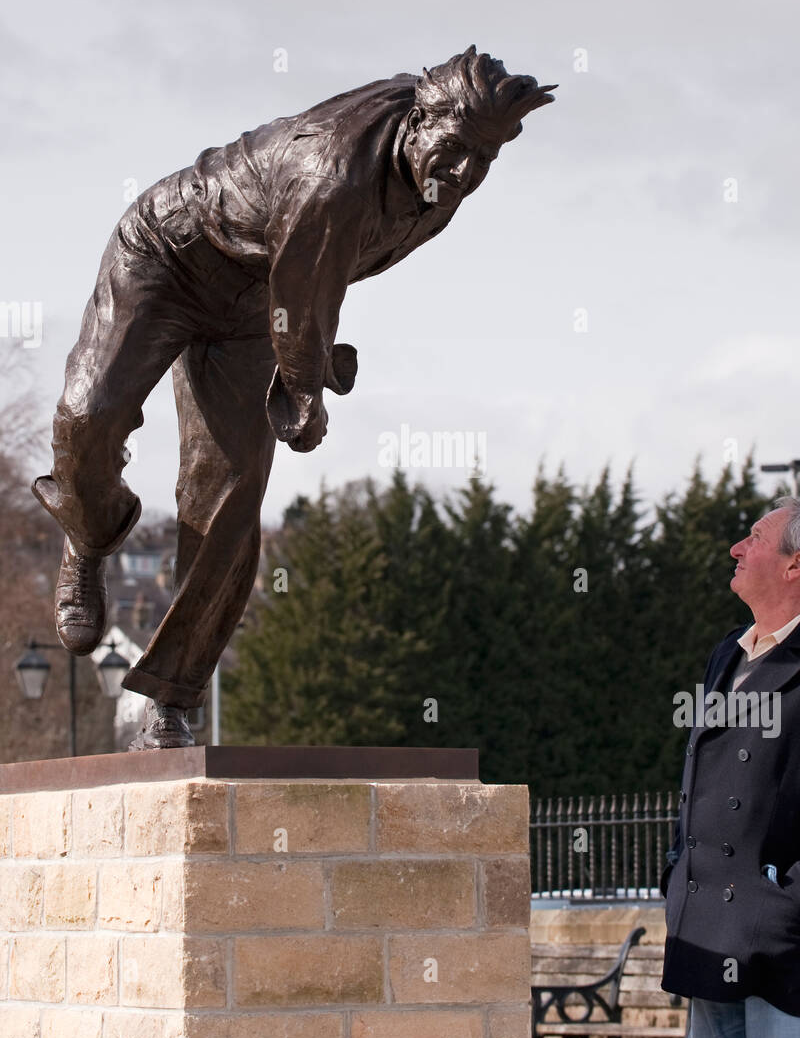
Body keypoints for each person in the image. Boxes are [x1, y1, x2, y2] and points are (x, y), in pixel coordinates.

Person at [32, 46, 555, 749]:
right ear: (418, 120)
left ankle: (172, 701)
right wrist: (304, 389)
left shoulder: (440, 190)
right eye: (455, 150)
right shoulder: (332, 173)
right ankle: (90, 534)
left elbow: (321, 280)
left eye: (483, 160)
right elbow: (305, 289)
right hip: (166, 259)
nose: (463, 172)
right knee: (87, 417)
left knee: (231, 498)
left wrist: (301, 362)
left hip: (254, 303)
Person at [661, 496, 800, 1038]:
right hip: (708, 938)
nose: (736, 548)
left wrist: (795, 905)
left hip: (791, 953)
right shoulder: (730, 652)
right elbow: (702, 779)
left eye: (754, 537)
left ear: (796, 564)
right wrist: (678, 876)